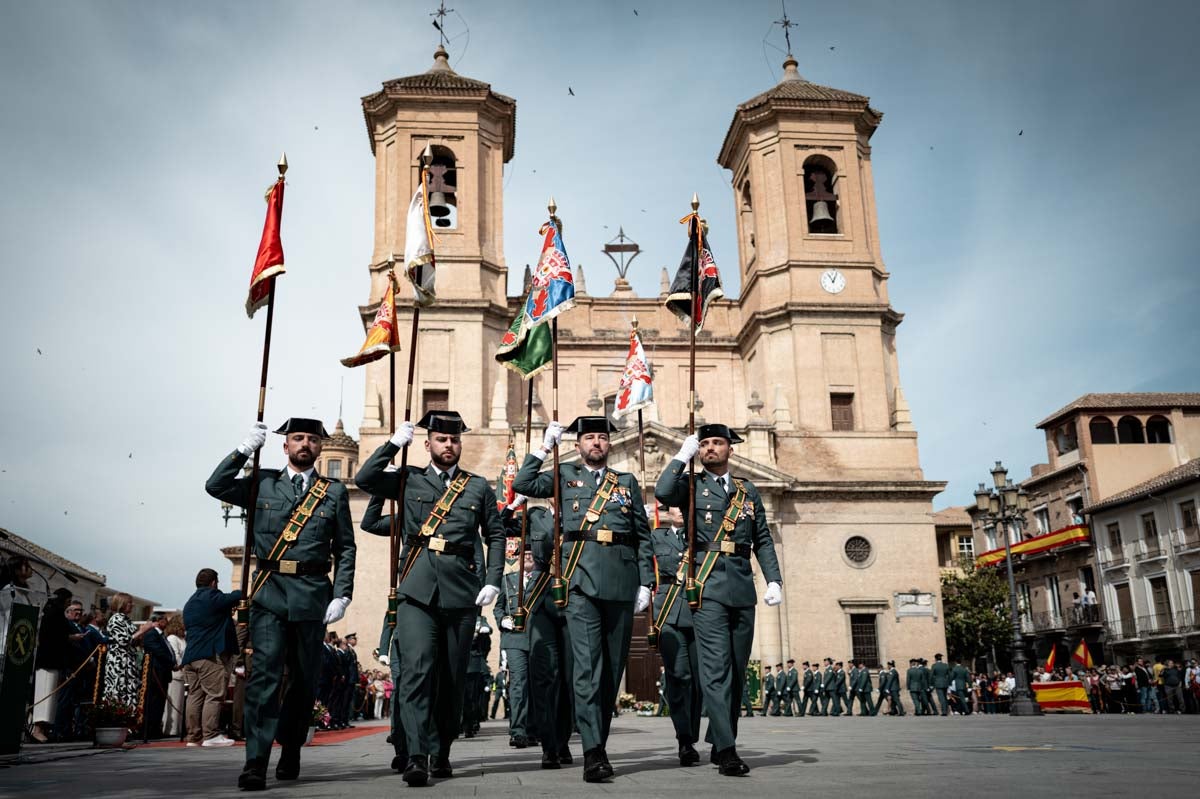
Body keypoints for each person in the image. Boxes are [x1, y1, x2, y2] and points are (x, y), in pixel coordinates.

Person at [206, 417, 356, 791]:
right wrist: (242, 452)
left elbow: (345, 548)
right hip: (270, 592)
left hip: (311, 594)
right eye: (297, 438)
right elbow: (216, 486)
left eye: (312, 439)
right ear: (284, 445)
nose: (305, 444)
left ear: (321, 447)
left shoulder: (333, 493)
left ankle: (291, 749)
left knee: (304, 681)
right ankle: (256, 762)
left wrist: (342, 593)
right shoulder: (263, 482)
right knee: (265, 678)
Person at [355, 410, 503, 786]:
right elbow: (365, 478)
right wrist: (391, 445)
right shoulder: (407, 478)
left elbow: (496, 535)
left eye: (454, 440)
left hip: (461, 592)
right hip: (416, 591)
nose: (448, 445)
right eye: (441, 439)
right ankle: (416, 755)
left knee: (451, 679)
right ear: (427, 444)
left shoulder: (478, 486)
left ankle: (442, 752)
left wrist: (493, 579)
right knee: (418, 672)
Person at [513, 415, 653, 783]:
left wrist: (646, 582)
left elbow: (643, 533)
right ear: (578, 445)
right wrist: (544, 446)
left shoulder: (626, 482)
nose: (596, 443)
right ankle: (594, 751)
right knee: (587, 668)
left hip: (622, 582)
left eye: (601, 438)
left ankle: (597, 739)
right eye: (589, 438)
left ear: (609, 444)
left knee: (610, 672)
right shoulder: (562, 474)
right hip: (579, 581)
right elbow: (523, 483)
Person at [655, 424, 783, 776]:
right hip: (707, 587)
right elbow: (664, 491)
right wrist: (682, 456)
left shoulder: (747, 490)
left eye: (718, 443)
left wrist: (774, 579)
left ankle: (719, 736)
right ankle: (727, 749)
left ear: (731, 449)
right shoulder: (691, 486)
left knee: (737, 671)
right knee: (715, 669)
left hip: (742, 587)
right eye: (706, 443)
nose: (711, 448)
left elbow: (763, 540)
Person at [648, 504, 702, 766]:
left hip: (700, 610)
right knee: (678, 676)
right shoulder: (656, 536)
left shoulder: (701, 535)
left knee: (700, 680)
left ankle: (694, 733)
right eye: (676, 507)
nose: (681, 511)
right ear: (666, 511)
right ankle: (685, 740)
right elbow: (643, 560)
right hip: (668, 611)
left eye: (685, 507)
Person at [523, 505, 575, 770]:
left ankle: (562, 739)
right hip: (543, 599)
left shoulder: (587, 510)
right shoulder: (536, 516)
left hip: (575, 599)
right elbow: (500, 529)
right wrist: (511, 505)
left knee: (569, 678)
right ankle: (548, 744)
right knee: (545, 676)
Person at [182, 568, 241, 747]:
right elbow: (236, 595)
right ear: (214, 583)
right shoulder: (213, 597)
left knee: (195, 696)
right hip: (208, 655)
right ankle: (211, 735)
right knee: (215, 694)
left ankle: (193, 737)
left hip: (191, 656)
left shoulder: (190, 602)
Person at [494, 508, 532, 747]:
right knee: (519, 684)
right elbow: (498, 607)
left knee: (539, 684)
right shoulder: (508, 581)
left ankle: (536, 728)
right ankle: (518, 730)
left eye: (531, 554)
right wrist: (501, 620)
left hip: (539, 637)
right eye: (524, 554)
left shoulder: (545, 580)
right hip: (515, 638)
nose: (528, 556)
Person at [31, 588, 75, 742]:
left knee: (51, 694)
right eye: (68, 601)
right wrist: (70, 637)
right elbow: (53, 635)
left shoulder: (56, 614)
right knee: (44, 693)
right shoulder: (53, 614)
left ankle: (44, 728)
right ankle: (37, 728)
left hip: (54, 660)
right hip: (48, 659)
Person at [135, 612, 177, 739]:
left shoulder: (162, 635)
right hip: (155, 673)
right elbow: (158, 651)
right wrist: (171, 662)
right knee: (153, 702)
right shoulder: (151, 634)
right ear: (159, 620)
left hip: (163, 673)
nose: (167, 621)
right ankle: (148, 730)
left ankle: (155, 728)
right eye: (165, 619)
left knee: (159, 703)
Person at [102, 592, 140, 708]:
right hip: (119, 662)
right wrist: (143, 630)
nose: (132, 605)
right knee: (118, 691)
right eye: (129, 603)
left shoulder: (126, 620)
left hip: (128, 661)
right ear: (121, 603)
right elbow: (124, 640)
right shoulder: (116, 619)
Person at [162, 615, 187, 737]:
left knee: (180, 704)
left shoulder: (183, 638)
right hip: (175, 674)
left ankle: (178, 730)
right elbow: (175, 656)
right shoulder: (173, 638)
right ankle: (170, 730)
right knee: (173, 704)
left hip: (183, 675)